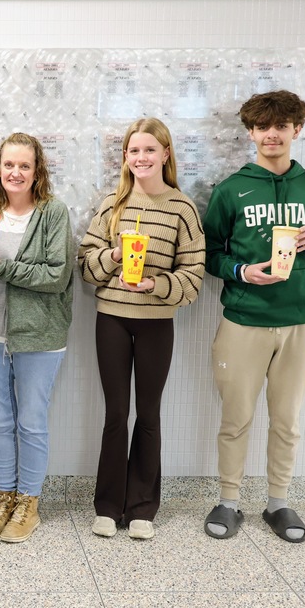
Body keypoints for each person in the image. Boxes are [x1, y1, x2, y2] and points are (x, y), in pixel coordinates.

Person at [202, 90, 305, 543]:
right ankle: (229, 501)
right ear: (251, 133)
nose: (272, 134)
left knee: (287, 419)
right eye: (263, 127)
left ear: (297, 129)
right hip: (243, 320)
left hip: (302, 321)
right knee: (236, 417)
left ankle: (278, 503)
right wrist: (242, 271)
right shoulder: (230, 189)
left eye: (281, 126)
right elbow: (209, 255)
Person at [78, 118, 205, 541]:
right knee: (116, 414)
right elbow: (86, 266)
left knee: (148, 415)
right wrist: (114, 256)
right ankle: (107, 506)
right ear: (125, 157)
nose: (141, 158)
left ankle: (142, 508)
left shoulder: (182, 209)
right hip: (111, 318)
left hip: (156, 324)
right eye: (134, 151)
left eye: (150, 150)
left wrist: (156, 284)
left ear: (166, 155)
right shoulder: (111, 204)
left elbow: (193, 277)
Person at [0, 132, 74, 544]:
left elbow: (57, 276)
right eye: (9, 164)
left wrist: (2, 267)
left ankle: (29, 503)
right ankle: (4, 498)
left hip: (38, 336)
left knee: (31, 423)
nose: (16, 172)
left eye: (25, 165)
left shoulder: (52, 213)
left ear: (37, 170)